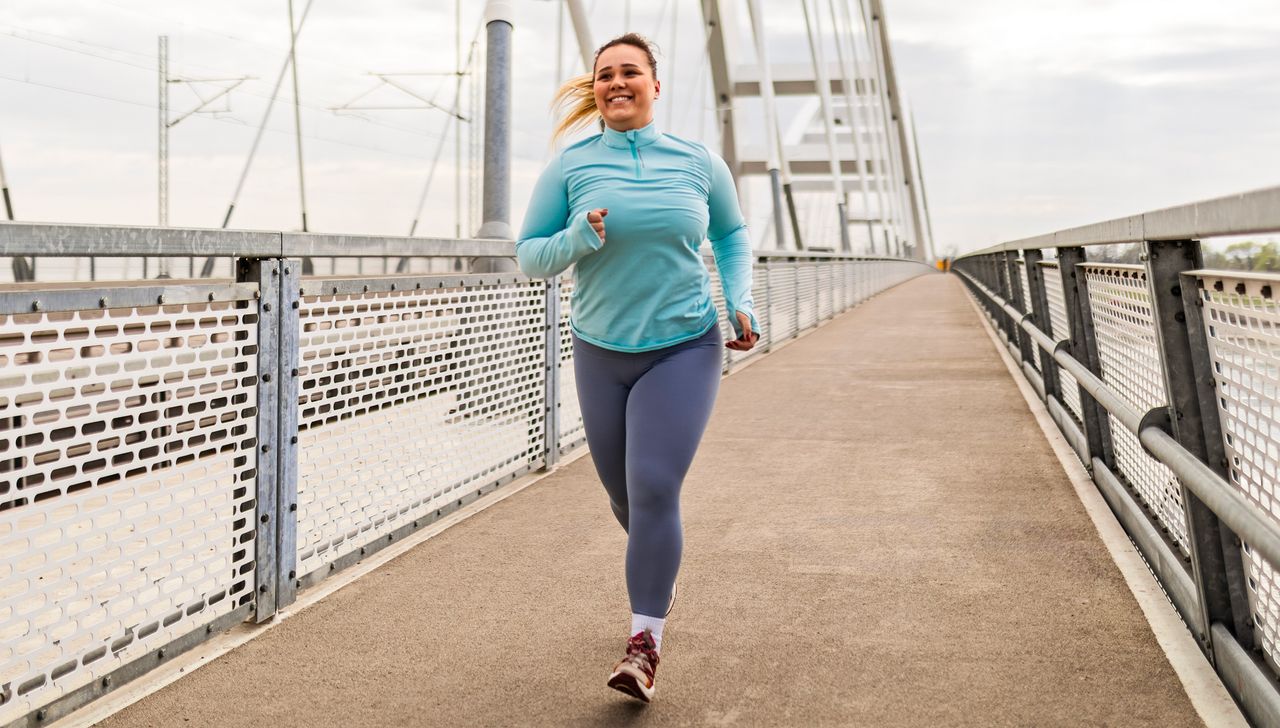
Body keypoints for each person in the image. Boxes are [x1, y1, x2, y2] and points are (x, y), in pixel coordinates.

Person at [516, 32, 758, 703]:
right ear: (595, 90)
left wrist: (739, 300)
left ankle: (643, 644)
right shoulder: (571, 165)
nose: (616, 83)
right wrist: (575, 238)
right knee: (625, 497)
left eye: (630, 72)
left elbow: (732, 234)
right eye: (604, 76)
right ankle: (660, 566)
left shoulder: (698, 162)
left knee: (653, 486)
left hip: (684, 344)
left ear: (656, 83)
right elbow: (529, 254)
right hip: (600, 349)